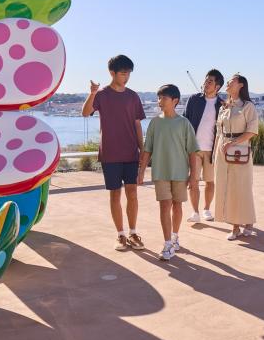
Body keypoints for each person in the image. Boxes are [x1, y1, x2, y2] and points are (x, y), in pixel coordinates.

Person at [82, 55, 146, 251]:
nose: (126, 77)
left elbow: (137, 125)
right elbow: (85, 113)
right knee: (115, 195)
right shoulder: (101, 95)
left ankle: (134, 232)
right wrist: (92, 93)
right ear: (112, 73)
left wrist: (142, 150)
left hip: (130, 153)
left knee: (133, 193)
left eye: (128, 73)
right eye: (123, 73)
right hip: (110, 153)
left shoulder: (133, 96)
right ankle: (121, 235)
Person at [137, 84, 199, 261]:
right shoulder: (155, 122)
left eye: (163, 98)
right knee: (165, 205)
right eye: (159, 98)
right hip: (160, 173)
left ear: (175, 101)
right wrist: (141, 171)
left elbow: (193, 152)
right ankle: (167, 244)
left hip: (180, 173)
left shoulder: (184, 123)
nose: (159, 102)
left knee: (177, 206)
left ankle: (175, 236)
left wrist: (193, 177)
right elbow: (147, 150)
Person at [213, 74, 259, 241]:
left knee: (241, 187)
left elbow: (252, 131)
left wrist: (233, 143)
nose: (228, 83)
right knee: (225, 187)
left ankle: (237, 226)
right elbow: (219, 131)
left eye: (231, 81)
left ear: (241, 85)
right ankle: (244, 223)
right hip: (222, 149)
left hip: (239, 150)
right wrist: (215, 153)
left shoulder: (248, 106)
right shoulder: (223, 107)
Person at [183, 69, 224, 224]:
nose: (206, 84)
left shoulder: (222, 104)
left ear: (217, 86)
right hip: (194, 149)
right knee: (193, 181)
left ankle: (206, 209)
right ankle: (195, 212)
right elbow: (185, 122)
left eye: (210, 82)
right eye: (206, 80)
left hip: (212, 150)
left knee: (210, 181)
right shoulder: (194, 100)